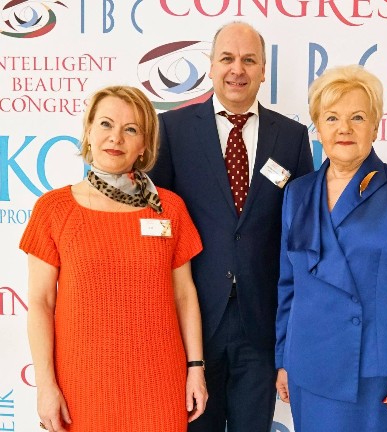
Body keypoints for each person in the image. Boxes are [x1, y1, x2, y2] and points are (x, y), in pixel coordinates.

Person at [149, 22, 313, 432]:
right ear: (210, 66)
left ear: (263, 71)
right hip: (193, 321)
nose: (237, 69)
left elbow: (302, 232)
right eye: (227, 58)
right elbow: (156, 223)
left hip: (261, 322)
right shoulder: (172, 130)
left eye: (249, 60)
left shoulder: (292, 137)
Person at [21, 85, 208, 432]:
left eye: (131, 129)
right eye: (106, 124)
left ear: (144, 145)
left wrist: (196, 368)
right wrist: (45, 386)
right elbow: (41, 304)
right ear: (89, 131)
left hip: (160, 384)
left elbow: (184, 295)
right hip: (82, 387)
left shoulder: (169, 208)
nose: (116, 138)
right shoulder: (53, 210)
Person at [274, 65, 387, 432]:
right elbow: (288, 285)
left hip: (378, 373)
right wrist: (283, 357)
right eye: (332, 118)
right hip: (309, 367)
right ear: (318, 128)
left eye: (357, 117)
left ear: (376, 127)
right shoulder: (297, 193)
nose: (344, 128)